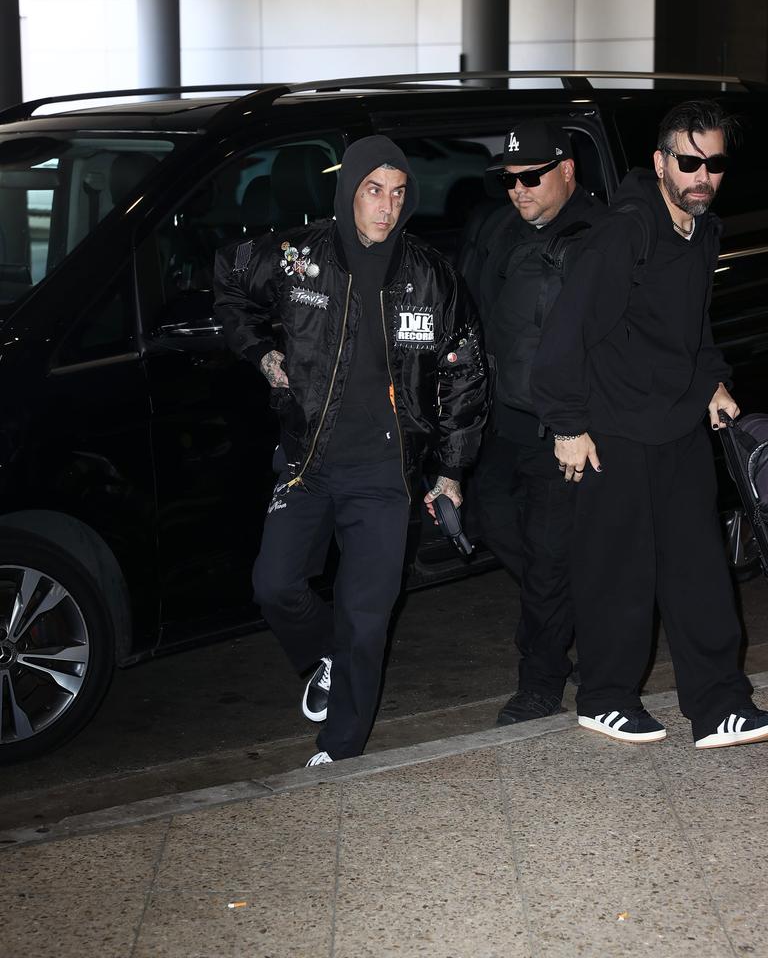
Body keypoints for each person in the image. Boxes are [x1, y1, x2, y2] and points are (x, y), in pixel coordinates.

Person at [214, 135, 487, 767]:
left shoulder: (429, 274)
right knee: (273, 586)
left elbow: (467, 372)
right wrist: (259, 351)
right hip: (307, 461)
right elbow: (227, 276)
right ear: (348, 193)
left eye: (398, 194)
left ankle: (340, 749)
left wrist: (449, 471)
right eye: (373, 191)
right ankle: (324, 657)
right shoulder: (297, 257)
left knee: (368, 617)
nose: (387, 208)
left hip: (384, 476)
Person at [531, 99, 768, 749]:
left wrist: (711, 378)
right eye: (689, 161)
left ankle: (720, 704)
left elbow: (691, 325)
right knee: (619, 573)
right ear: (661, 162)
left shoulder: (703, 230)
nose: (702, 176)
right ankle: (605, 698)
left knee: (698, 568)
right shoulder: (625, 232)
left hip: (676, 422)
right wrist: (567, 423)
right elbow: (565, 333)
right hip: (612, 428)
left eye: (714, 164)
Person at [464, 119, 606, 726]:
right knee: (486, 517)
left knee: (548, 559)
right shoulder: (500, 228)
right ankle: (569, 609)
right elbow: (470, 307)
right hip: (504, 420)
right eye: (509, 180)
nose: (518, 190)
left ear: (567, 171)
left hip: (565, 430)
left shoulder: (604, 235)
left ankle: (542, 681)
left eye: (531, 177)